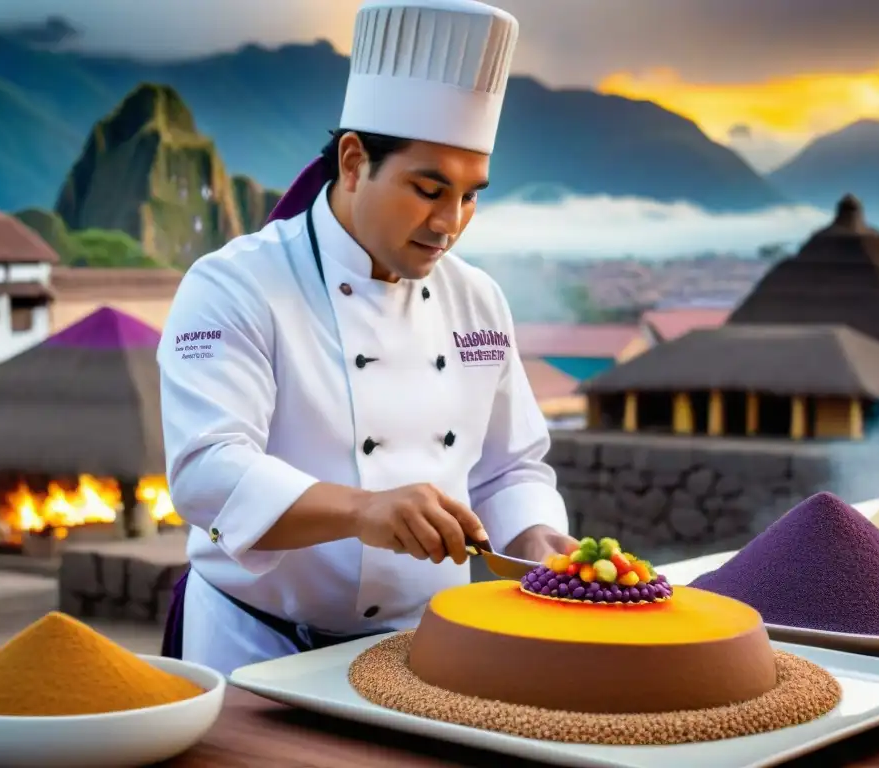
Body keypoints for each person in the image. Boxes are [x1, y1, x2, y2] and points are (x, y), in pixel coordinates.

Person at [158, 0, 576, 675]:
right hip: (258, 650)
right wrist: (363, 510)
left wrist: (535, 537)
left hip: (420, 652)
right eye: (428, 188)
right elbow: (206, 472)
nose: (451, 222)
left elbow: (509, 466)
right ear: (354, 161)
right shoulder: (234, 285)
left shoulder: (478, 300)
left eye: (471, 195)